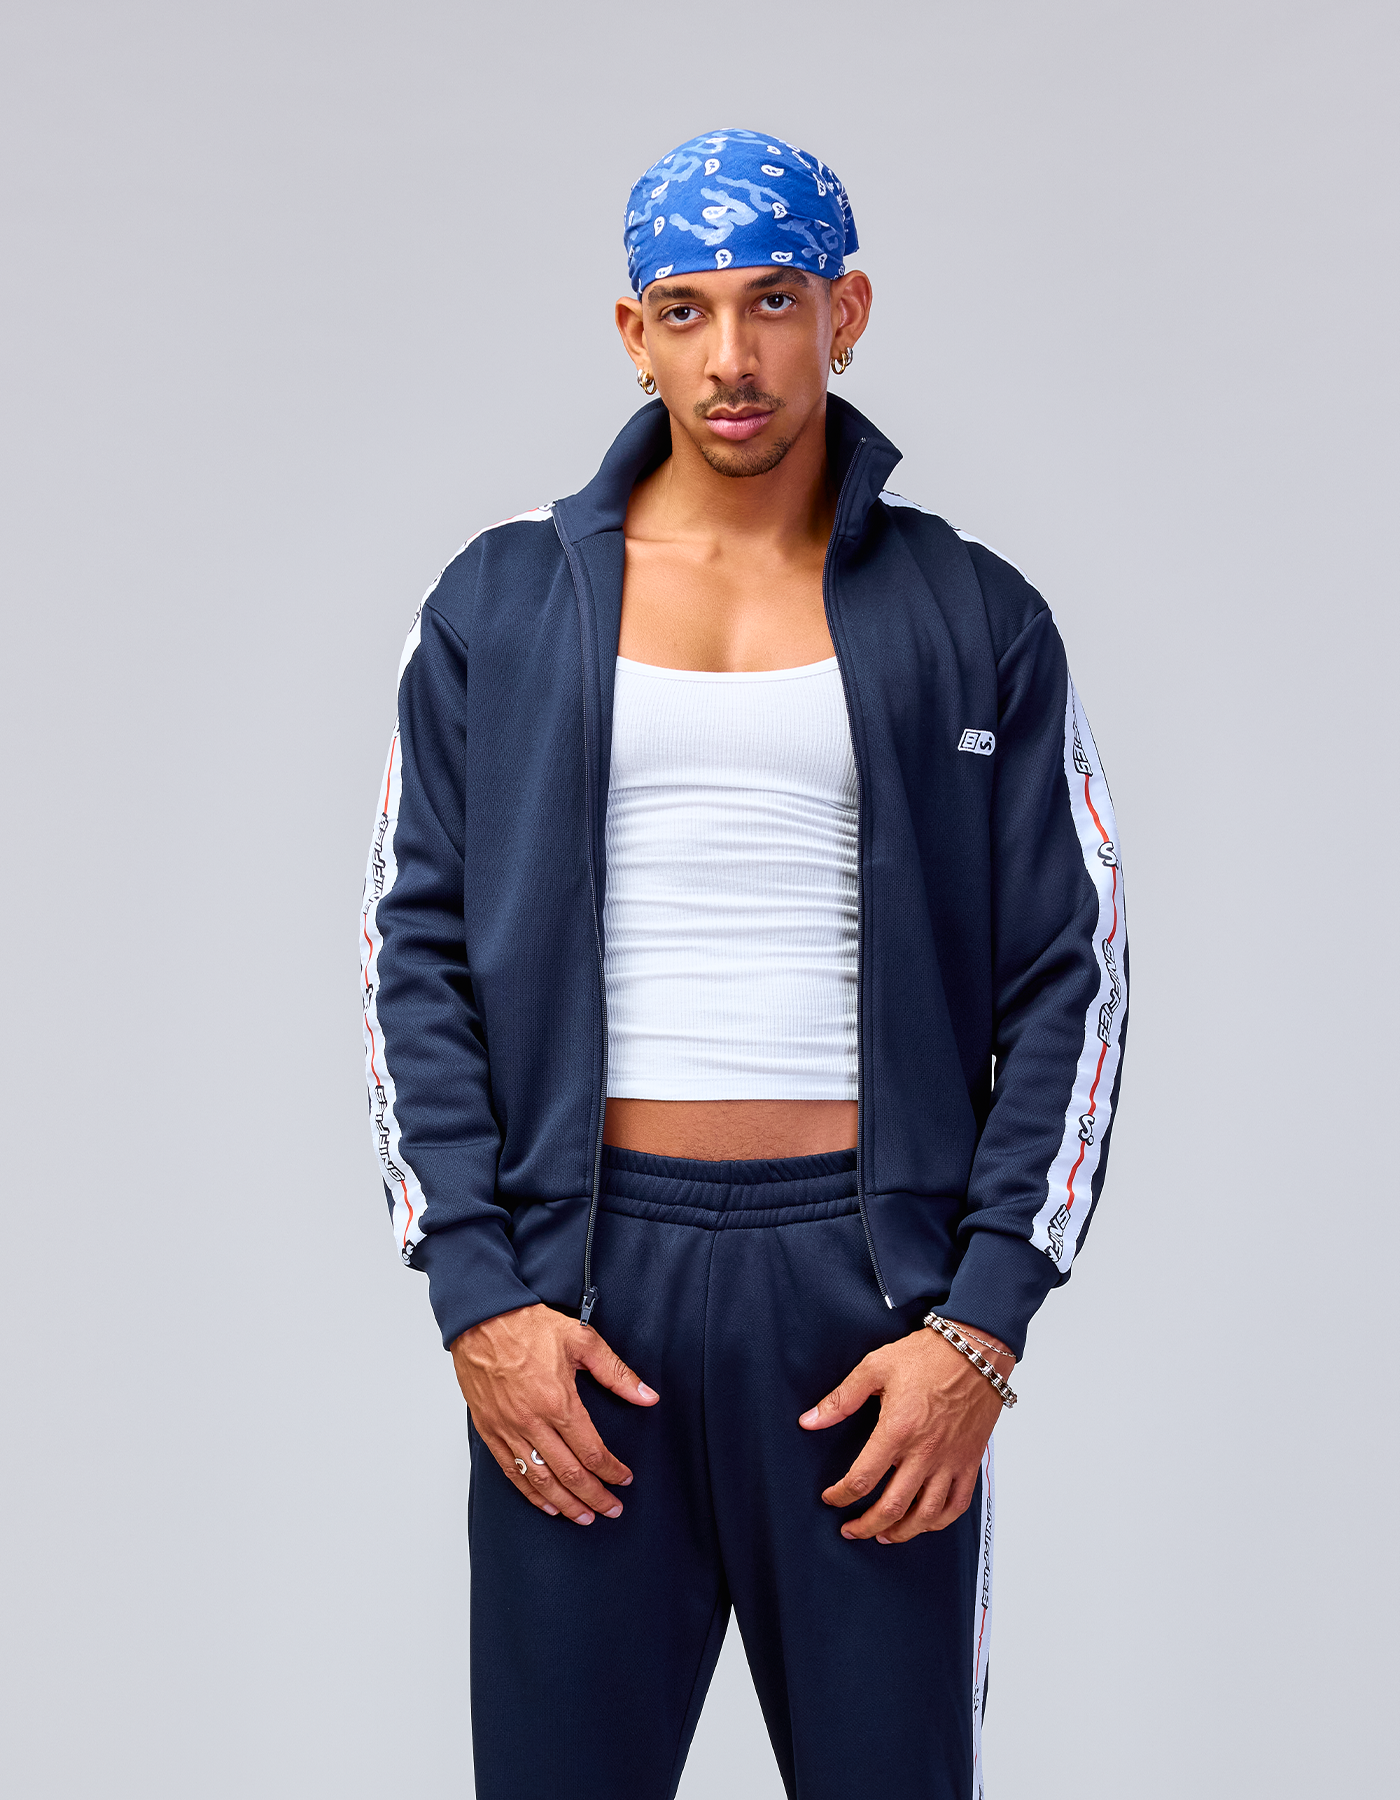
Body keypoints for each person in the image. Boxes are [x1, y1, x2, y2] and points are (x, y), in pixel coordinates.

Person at [360, 126, 1127, 1800]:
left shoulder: (973, 613)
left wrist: (981, 1330)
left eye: (775, 301)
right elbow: (411, 952)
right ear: (630, 334)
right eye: (686, 310)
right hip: (581, 1297)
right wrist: (477, 1295)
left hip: (868, 1306)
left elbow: (1071, 977)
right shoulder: (501, 603)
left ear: (846, 313)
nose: (731, 355)